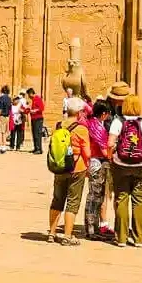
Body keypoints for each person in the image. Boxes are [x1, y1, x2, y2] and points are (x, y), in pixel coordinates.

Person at [107, 94, 142, 247]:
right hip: (140, 166)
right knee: (138, 202)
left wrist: (112, 156)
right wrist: (141, 150)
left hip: (120, 165)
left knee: (121, 198)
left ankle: (121, 237)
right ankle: (139, 238)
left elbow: (110, 144)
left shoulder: (117, 122)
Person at [47, 99, 91, 246]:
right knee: (73, 202)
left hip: (59, 168)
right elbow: (87, 152)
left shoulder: (59, 126)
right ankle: (67, 235)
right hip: (76, 168)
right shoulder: (81, 129)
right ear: (79, 112)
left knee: (57, 199)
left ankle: (52, 233)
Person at [84, 101, 113, 241]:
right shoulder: (97, 127)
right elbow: (104, 150)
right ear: (103, 114)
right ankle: (91, 229)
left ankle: (92, 227)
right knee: (95, 197)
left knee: (94, 196)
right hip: (97, 163)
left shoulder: (90, 122)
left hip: (92, 162)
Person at [27, 88, 46, 155]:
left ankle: (39, 149)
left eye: (29, 95)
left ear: (31, 93)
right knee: (34, 134)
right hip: (34, 118)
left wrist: (34, 110)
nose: (28, 96)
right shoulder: (33, 100)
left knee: (38, 134)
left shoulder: (38, 99)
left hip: (38, 119)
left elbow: (42, 108)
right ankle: (36, 148)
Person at [0, 85, 12, 154]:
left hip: (1, 116)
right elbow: (10, 108)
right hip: (7, 116)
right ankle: (4, 147)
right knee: (4, 132)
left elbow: (0, 109)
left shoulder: (1, 98)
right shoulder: (9, 98)